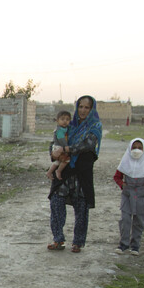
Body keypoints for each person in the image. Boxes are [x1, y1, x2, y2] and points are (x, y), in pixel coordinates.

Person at [47, 95, 102, 253]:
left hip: (82, 171)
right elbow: (54, 141)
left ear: (91, 109)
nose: (83, 110)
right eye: (80, 106)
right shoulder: (68, 125)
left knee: (81, 208)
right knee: (56, 203)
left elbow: (88, 144)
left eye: (87, 107)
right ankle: (58, 239)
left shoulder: (95, 126)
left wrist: (65, 149)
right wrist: (54, 153)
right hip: (65, 170)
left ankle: (78, 242)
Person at [113, 139, 144, 256]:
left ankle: (135, 246)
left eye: (139, 147)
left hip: (142, 195)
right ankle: (123, 244)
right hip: (128, 194)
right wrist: (123, 185)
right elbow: (117, 176)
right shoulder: (125, 161)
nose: (136, 150)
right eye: (134, 147)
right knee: (125, 219)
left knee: (139, 221)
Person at [46, 110, 72, 181]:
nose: (65, 121)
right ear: (57, 120)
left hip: (58, 147)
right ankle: (59, 171)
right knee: (66, 160)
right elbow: (62, 139)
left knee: (58, 162)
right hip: (59, 147)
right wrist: (66, 147)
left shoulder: (64, 128)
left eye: (67, 119)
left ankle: (49, 172)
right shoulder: (60, 130)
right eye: (62, 119)